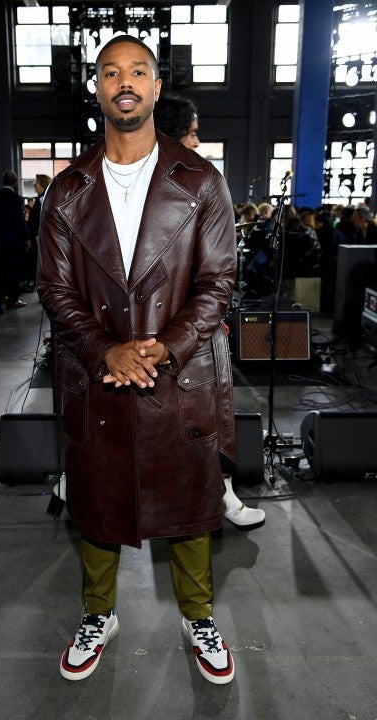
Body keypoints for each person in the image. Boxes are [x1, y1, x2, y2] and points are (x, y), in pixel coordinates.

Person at [38, 34, 238, 686]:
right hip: (98, 374)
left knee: (191, 507)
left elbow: (218, 280)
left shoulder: (200, 180)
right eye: (110, 72)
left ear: (155, 86)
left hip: (179, 373)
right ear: (96, 88)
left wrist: (166, 345)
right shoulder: (66, 190)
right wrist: (107, 350)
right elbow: (54, 290)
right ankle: (98, 614)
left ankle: (199, 618)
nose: (124, 82)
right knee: (97, 505)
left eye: (138, 71)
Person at [154, 92, 265, 530]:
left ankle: (222, 496)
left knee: (206, 423)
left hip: (193, 329)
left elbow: (218, 275)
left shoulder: (204, 183)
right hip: (153, 332)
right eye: (192, 132)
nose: (197, 142)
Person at [0, 170, 30, 308]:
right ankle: (12, 299)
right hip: (13, 241)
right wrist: (26, 238)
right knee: (13, 269)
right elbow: (20, 221)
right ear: (14, 182)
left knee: (0, 269)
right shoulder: (16, 198)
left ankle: (1, 297)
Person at [23, 173, 52, 292]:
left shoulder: (45, 199)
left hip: (40, 237)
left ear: (42, 184)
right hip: (37, 237)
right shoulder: (41, 198)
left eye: (36, 183)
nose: (34, 185)